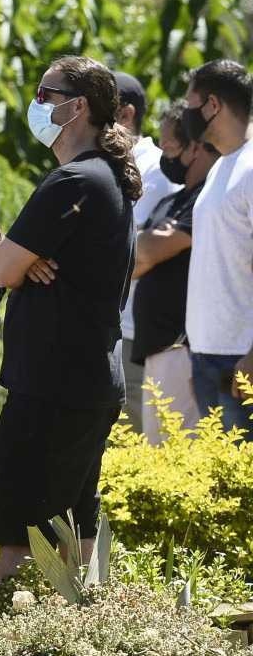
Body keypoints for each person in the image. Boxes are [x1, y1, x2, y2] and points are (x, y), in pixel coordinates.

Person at [0, 56, 139, 581]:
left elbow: (1, 268)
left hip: (53, 387)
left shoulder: (73, 180)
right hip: (84, 384)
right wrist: (28, 260)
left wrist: (24, 260)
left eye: (44, 94)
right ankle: (73, 652)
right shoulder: (103, 178)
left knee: (22, 545)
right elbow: (17, 264)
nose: (35, 103)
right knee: (75, 537)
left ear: (78, 108)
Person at [130, 102, 216, 443]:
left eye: (169, 146)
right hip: (157, 350)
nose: (165, 155)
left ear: (194, 146)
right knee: (156, 452)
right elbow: (136, 263)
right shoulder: (173, 201)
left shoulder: (205, 198)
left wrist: (148, 248)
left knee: (176, 452)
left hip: (182, 349)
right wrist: (149, 249)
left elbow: (150, 250)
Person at [182, 59, 253, 432]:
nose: (185, 113)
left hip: (240, 360)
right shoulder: (223, 167)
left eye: (190, 103)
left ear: (212, 105)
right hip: (209, 356)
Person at [113, 71, 181, 433]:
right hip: (108, 331)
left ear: (125, 115)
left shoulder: (158, 170)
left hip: (139, 337)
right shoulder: (104, 168)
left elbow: (140, 252)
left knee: (140, 442)